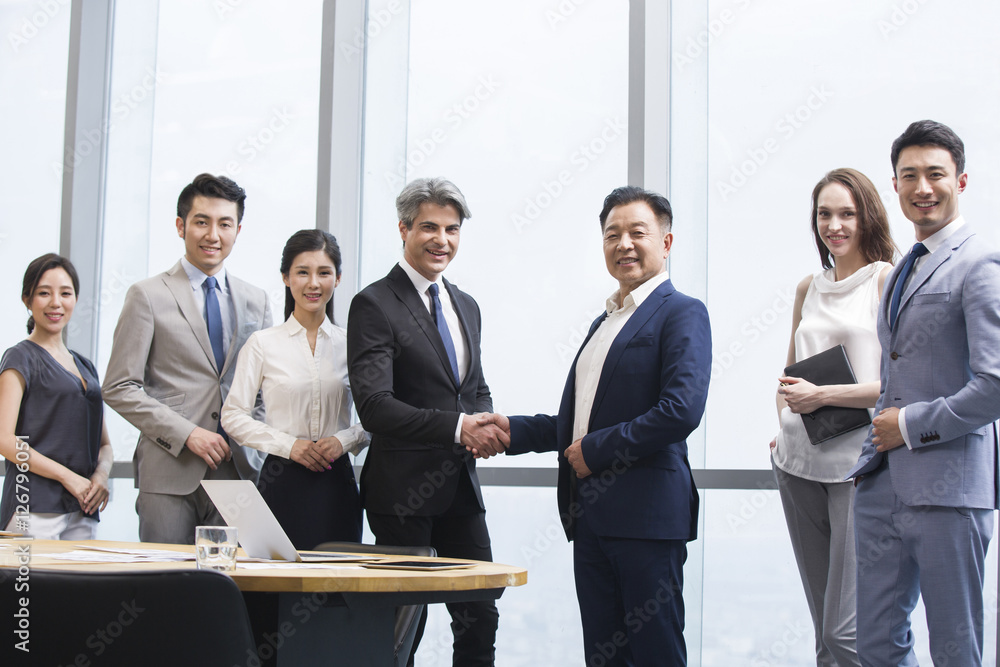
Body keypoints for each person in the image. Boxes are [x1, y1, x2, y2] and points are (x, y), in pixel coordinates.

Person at [479, 186, 712, 666]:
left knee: (656, 654)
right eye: (612, 235)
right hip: (591, 519)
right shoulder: (604, 322)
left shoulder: (682, 312)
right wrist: (514, 430)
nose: (623, 243)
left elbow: (681, 410)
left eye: (637, 232)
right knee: (603, 657)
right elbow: (579, 421)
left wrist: (597, 450)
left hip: (647, 519)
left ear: (666, 243)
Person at [845, 120, 1000, 666]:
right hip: (882, 484)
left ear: (961, 181)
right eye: (909, 175)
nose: (922, 187)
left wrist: (909, 425)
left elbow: (996, 386)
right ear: (895, 185)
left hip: (949, 489)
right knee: (876, 646)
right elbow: (897, 371)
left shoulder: (980, 265)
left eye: (935, 174)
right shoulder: (903, 268)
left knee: (956, 649)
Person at [347, 177, 506, 666]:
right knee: (402, 625)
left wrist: (484, 426)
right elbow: (375, 405)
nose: (442, 240)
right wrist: (458, 427)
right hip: (402, 493)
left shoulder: (467, 305)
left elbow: (472, 386)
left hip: (461, 484)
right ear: (403, 228)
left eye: (452, 229)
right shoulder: (374, 304)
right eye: (430, 228)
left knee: (480, 611)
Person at [102, 173, 271, 545]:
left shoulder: (255, 301)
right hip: (168, 473)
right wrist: (187, 434)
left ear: (237, 230)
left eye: (224, 224)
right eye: (201, 222)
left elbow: (263, 392)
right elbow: (118, 386)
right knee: (166, 593)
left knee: (230, 593)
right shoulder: (146, 296)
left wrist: (252, 446)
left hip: (237, 475)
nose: (213, 234)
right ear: (181, 226)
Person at [770, 168, 895, 666]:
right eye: (825, 214)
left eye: (847, 213)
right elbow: (786, 374)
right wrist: (782, 427)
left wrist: (822, 396)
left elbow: (897, 386)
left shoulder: (887, 279)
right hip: (797, 465)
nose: (835, 225)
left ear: (867, 216)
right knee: (824, 634)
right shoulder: (809, 287)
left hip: (857, 468)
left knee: (846, 634)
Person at [221, 230, 368, 549]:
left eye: (324, 272)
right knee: (277, 587)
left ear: (338, 279)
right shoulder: (262, 344)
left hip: (337, 480)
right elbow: (232, 416)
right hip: (281, 478)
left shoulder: (354, 346)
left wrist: (344, 440)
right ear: (286, 277)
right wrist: (291, 446)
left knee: (336, 584)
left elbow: (379, 414)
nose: (313, 283)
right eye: (303, 272)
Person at [0, 254, 113, 539]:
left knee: (81, 584)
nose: (55, 303)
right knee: (28, 584)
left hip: (82, 507)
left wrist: (99, 477)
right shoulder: (19, 357)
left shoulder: (85, 366)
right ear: (27, 300)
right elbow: (4, 440)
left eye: (65, 293)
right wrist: (68, 477)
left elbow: (105, 445)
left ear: (75, 299)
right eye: (43, 293)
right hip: (32, 507)